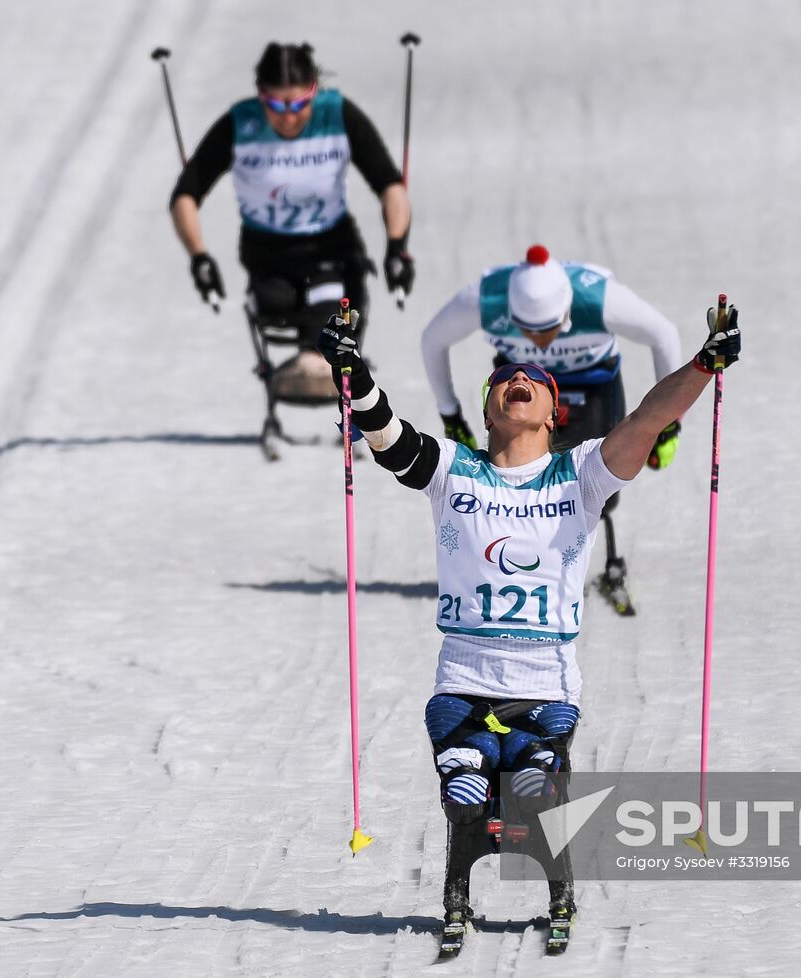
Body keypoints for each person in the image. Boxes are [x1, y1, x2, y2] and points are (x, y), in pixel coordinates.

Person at [317, 297, 740, 949]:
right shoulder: (453, 471)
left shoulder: (582, 475)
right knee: (464, 794)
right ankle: (459, 884)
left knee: (536, 792)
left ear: (552, 413)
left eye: (535, 380)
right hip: (462, 685)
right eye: (504, 378)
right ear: (488, 411)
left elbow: (651, 418)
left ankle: (557, 881)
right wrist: (352, 371)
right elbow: (386, 435)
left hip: (544, 687)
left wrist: (703, 365)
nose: (519, 378)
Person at [420, 244, 685, 614]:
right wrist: (451, 416)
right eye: (526, 329)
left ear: (567, 310)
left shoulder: (600, 299)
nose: (538, 341)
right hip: (525, 386)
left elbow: (664, 335)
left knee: (596, 482)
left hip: (592, 386)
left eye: (548, 329)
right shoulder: (486, 298)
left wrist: (668, 426)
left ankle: (606, 563)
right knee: (518, 475)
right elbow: (433, 340)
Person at [169, 42, 413, 401]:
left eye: (299, 104)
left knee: (334, 304)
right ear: (260, 95)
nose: (288, 116)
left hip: (332, 245)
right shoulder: (241, 123)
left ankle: (322, 364)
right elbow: (186, 195)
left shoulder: (337, 114)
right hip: (268, 252)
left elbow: (389, 185)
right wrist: (199, 256)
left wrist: (396, 247)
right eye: (276, 105)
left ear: (314, 91)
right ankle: (312, 363)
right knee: (276, 305)